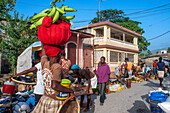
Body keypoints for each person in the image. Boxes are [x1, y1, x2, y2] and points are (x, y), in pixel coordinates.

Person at [32, 44, 74, 113]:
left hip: (45, 99)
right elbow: (54, 85)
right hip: (54, 101)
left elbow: (43, 52)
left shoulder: (44, 62)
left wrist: (44, 42)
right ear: (58, 55)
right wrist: (70, 90)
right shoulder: (57, 66)